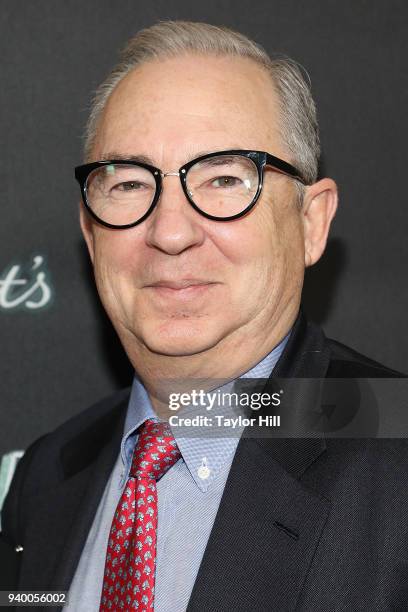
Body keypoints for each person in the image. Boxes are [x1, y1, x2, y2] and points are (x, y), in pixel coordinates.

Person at [1, 20, 407, 612]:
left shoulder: (396, 463)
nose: (169, 232)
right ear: (90, 236)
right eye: (130, 184)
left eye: (223, 179)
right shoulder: (48, 474)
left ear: (311, 223)